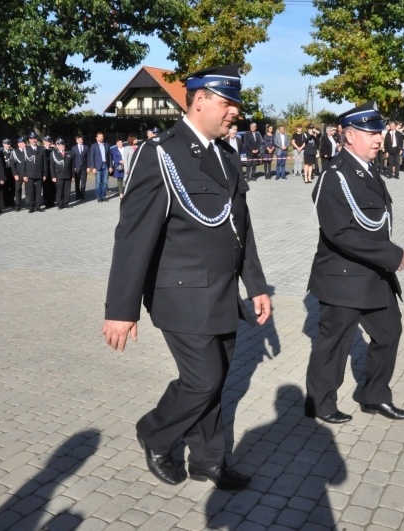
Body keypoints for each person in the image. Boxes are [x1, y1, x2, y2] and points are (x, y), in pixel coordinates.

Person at [102, 64, 271, 491]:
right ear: (200, 100)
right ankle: (155, 432)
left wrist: (257, 286)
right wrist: (121, 310)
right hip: (180, 294)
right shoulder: (160, 152)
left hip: (223, 294)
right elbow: (133, 235)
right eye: (228, 103)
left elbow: (241, 230)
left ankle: (208, 461)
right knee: (203, 379)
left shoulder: (227, 155)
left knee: (217, 380)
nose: (235, 112)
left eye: (236, 104)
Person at [305, 101, 404, 425]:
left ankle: (374, 395)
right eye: (371, 132)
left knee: (389, 333)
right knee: (334, 345)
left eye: (379, 131)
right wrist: (392, 255)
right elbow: (340, 233)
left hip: (374, 278)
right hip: (343, 278)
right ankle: (320, 403)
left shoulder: (368, 170)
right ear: (350, 136)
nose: (379, 138)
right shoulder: (334, 175)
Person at [22, 132, 46, 212]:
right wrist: (24, 175)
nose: (34, 140)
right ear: (29, 140)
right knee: (30, 191)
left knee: (38, 191)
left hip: (39, 173)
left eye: (35, 138)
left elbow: (44, 163)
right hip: (29, 174)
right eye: (32, 139)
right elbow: (23, 163)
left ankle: (38, 206)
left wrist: (45, 174)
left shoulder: (41, 149)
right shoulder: (26, 149)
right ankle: (31, 207)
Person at [50, 139, 73, 209]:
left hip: (68, 175)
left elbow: (72, 166)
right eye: (60, 145)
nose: (62, 146)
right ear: (57, 146)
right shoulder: (54, 154)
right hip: (58, 175)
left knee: (67, 190)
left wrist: (73, 176)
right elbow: (52, 166)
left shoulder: (69, 153)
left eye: (63, 144)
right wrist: (53, 176)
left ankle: (66, 203)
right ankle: (60, 204)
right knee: (59, 190)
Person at [88, 131, 111, 202]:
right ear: (96, 138)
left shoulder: (107, 145)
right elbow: (91, 157)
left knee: (105, 182)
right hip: (97, 166)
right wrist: (93, 167)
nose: (101, 138)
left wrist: (111, 166)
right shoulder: (93, 146)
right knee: (98, 182)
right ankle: (98, 196)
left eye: (102, 137)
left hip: (106, 165)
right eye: (100, 137)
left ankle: (103, 196)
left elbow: (110, 156)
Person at [11, 137, 27, 211]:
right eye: (21, 143)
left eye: (24, 142)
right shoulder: (15, 152)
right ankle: (18, 205)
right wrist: (15, 174)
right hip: (18, 173)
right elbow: (12, 164)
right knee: (18, 189)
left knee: (28, 189)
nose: (23, 144)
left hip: (27, 173)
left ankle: (28, 203)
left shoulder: (27, 151)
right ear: (18, 144)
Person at [71, 134, 89, 200]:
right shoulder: (74, 148)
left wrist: (88, 166)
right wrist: (74, 167)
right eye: (78, 140)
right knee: (77, 182)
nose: (80, 141)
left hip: (84, 167)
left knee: (83, 182)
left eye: (81, 139)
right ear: (76, 141)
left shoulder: (86, 147)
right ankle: (77, 195)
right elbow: (72, 158)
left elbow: (88, 157)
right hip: (77, 167)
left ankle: (82, 194)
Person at [121, 133, 138, 197]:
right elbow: (125, 159)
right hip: (129, 169)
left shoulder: (137, 147)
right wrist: (126, 169)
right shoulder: (127, 148)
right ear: (132, 139)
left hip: (136, 168)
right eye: (135, 139)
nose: (137, 140)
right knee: (129, 183)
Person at [42, 136, 57, 208]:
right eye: (48, 141)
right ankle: (46, 202)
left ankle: (52, 201)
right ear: (44, 142)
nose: (49, 143)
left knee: (53, 187)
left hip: (53, 171)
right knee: (46, 187)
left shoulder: (53, 149)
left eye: (50, 141)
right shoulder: (42, 149)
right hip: (46, 171)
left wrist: (55, 147)